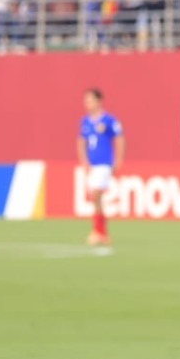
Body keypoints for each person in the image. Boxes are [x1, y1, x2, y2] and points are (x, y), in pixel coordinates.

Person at [77, 88, 124, 246]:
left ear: (99, 101)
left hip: (104, 164)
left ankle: (98, 232)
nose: (87, 104)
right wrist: (84, 161)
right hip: (92, 165)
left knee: (96, 194)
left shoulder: (109, 120)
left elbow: (119, 138)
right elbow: (81, 142)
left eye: (90, 100)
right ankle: (101, 232)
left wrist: (118, 160)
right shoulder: (85, 122)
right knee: (95, 198)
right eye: (86, 101)